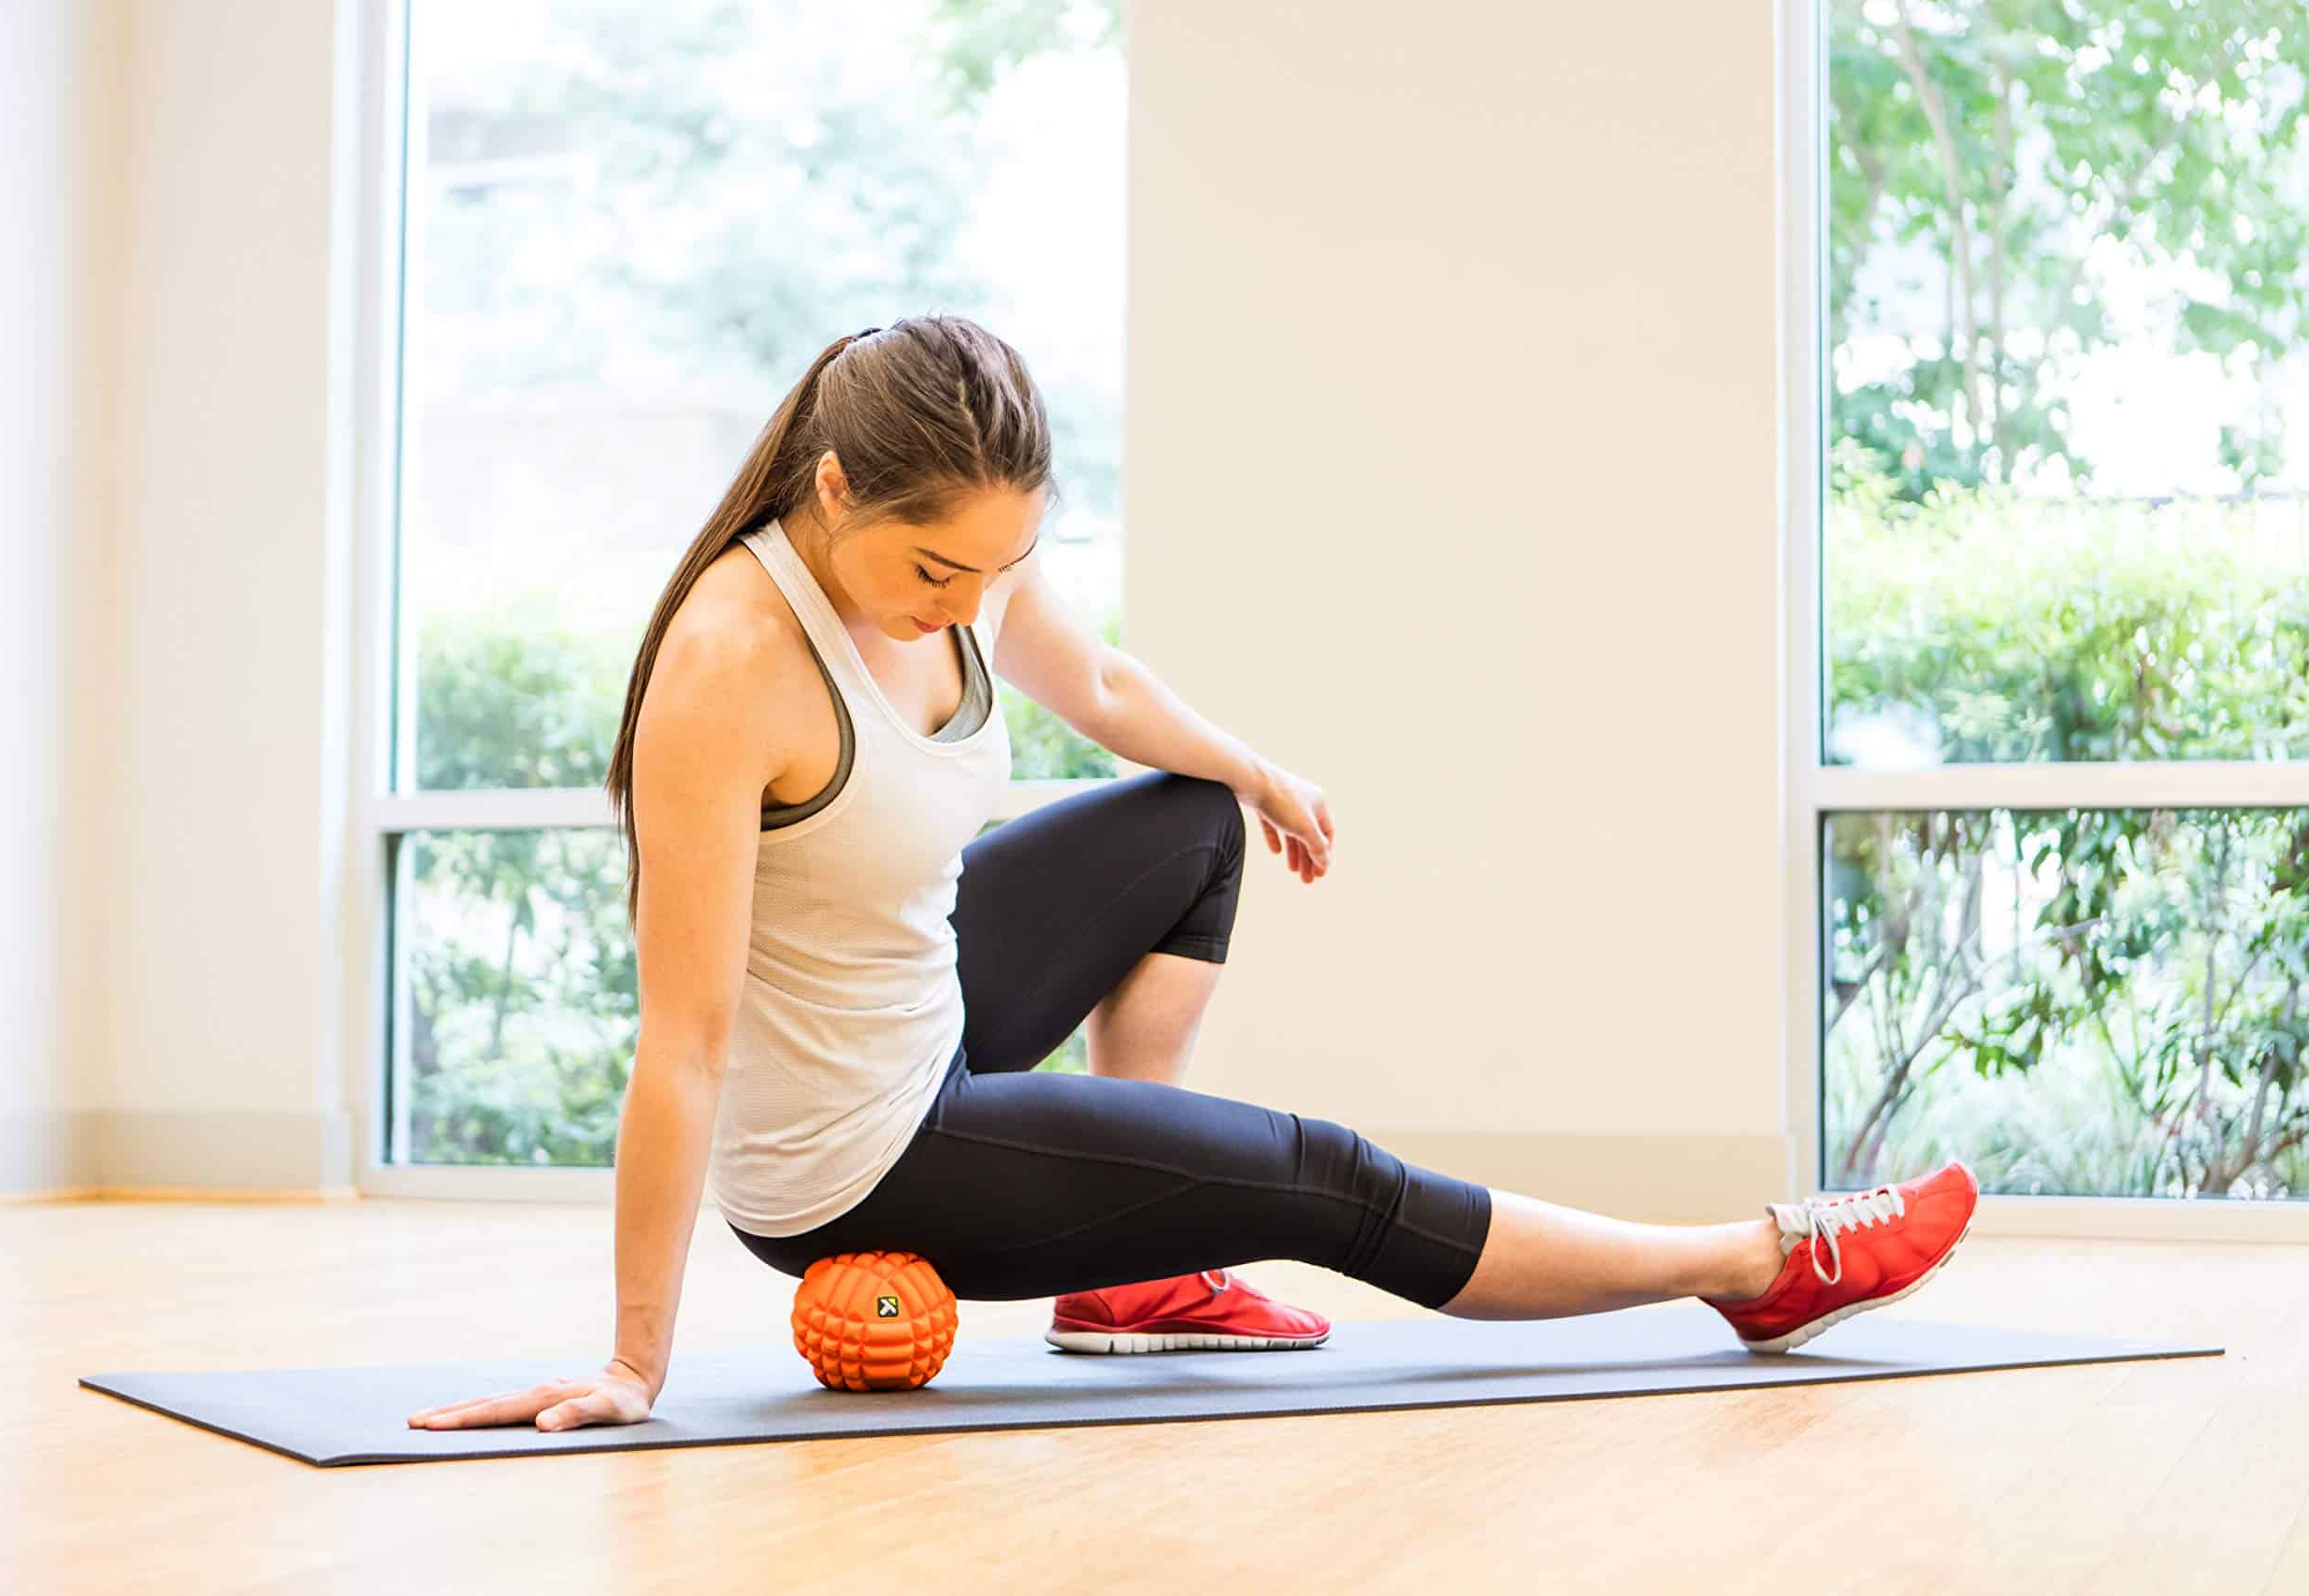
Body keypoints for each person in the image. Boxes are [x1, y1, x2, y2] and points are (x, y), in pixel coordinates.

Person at [407, 314, 1977, 1435]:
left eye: (997, 566)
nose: (965, 600)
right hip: (850, 1160)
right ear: (832, 493)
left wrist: (1260, 768)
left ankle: (1136, 1281)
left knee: (1197, 818)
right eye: (936, 570)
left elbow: (1100, 683)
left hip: (920, 1009)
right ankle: (1755, 1265)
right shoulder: (729, 665)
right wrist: (635, 1361)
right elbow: (682, 1042)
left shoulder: (966, 561)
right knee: (1326, 1179)